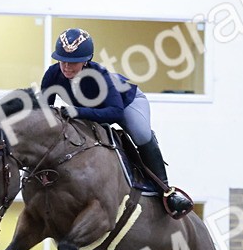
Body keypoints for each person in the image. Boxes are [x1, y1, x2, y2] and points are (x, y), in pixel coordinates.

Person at [39, 28, 193, 218]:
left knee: (141, 134)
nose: (66, 67)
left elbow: (115, 113)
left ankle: (166, 191)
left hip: (126, 103)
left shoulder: (100, 76)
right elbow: (45, 112)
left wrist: (76, 112)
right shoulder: (52, 75)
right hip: (94, 110)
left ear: (86, 61)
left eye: (73, 63)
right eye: (62, 61)